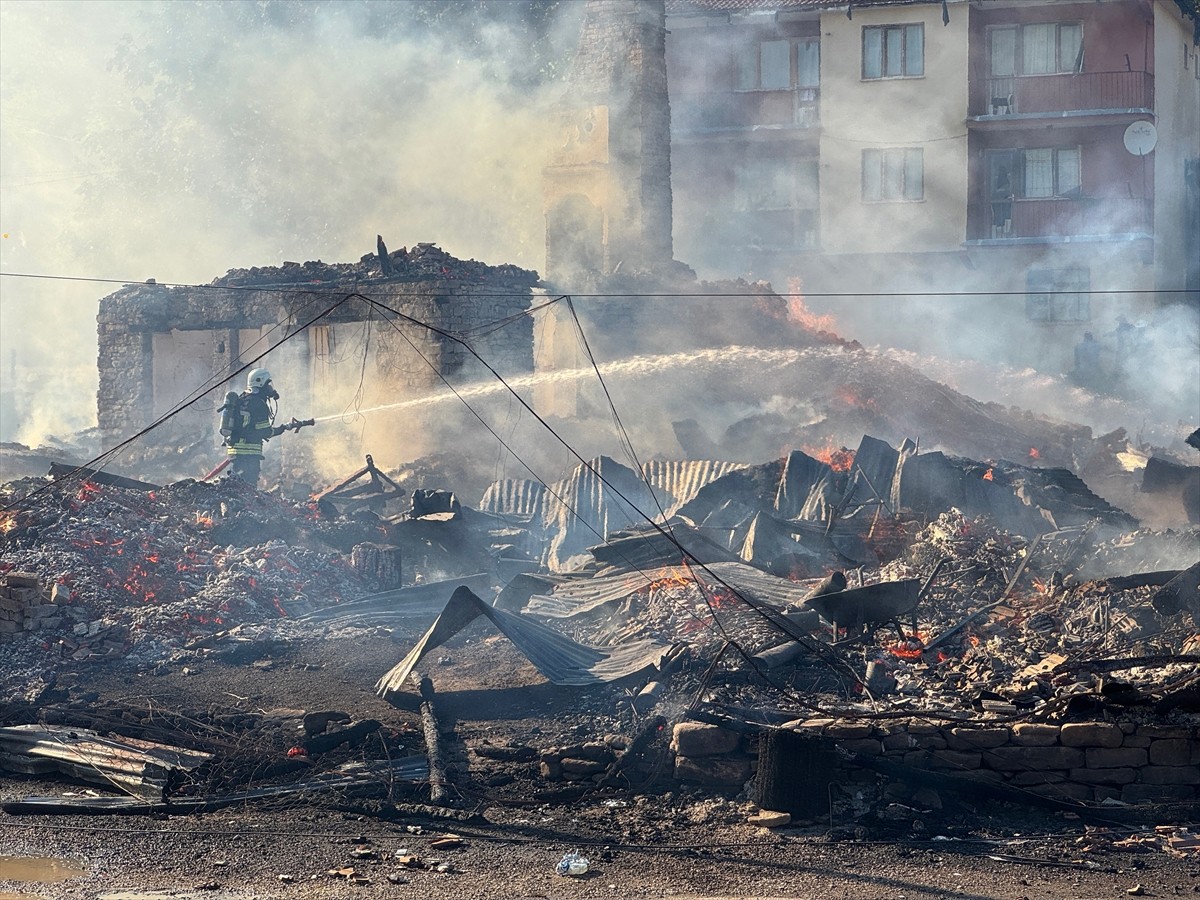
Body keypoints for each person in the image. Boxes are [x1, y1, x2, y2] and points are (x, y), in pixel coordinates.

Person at [220, 368, 284, 488]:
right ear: (260, 383)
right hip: (248, 454)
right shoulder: (258, 404)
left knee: (237, 487)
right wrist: (280, 429)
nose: (270, 388)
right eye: (267, 384)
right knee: (247, 488)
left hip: (236, 452)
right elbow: (265, 431)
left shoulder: (243, 398)